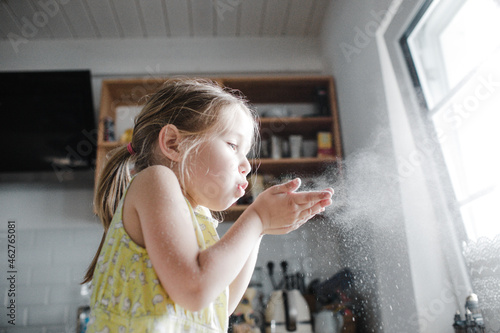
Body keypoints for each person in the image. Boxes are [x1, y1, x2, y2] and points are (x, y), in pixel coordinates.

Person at [82, 78, 334, 332]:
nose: (247, 165)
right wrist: (257, 218)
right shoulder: (155, 180)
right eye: (233, 145)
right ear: (173, 143)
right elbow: (196, 290)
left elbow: (219, 307)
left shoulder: (199, 215)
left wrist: (260, 229)